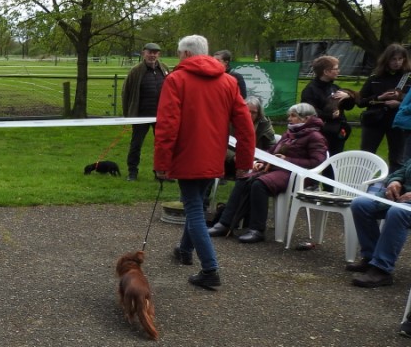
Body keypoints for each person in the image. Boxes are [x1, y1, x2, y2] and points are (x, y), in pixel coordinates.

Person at [154, 34, 255, 289]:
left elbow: (167, 125)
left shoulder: (176, 80)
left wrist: (162, 163)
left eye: (179, 53)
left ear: (187, 54)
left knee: (194, 210)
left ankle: (210, 269)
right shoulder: (229, 81)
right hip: (214, 156)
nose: (178, 57)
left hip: (187, 156)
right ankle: (184, 250)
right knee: (197, 204)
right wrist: (244, 162)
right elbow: (245, 126)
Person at [209, 103, 327, 243]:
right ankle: (224, 224)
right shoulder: (290, 133)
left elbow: (317, 162)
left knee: (259, 184)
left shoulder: (315, 136)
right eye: (289, 115)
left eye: (293, 116)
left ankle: (257, 230)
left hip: (298, 176)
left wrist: (287, 160)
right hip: (279, 170)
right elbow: (272, 151)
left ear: (305, 118)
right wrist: (262, 162)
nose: (289, 118)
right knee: (243, 179)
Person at [347, 157, 411, 288]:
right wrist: (395, 181)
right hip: (401, 197)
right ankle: (371, 258)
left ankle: (382, 268)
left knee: (398, 212)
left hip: (405, 204)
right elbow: (402, 171)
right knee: (360, 204)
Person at [357, 42, 411, 170]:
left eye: (400, 59)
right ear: (386, 60)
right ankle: (363, 180)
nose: (397, 62)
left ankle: (394, 181)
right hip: (375, 120)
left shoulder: (408, 78)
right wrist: (380, 98)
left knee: (397, 158)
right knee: (366, 156)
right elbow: (360, 101)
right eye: (393, 59)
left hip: (398, 122)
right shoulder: (375, 78)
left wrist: (399, 102)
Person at [122, 42, 168, 182]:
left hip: (160, 116)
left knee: (162, 146)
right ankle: (132, 172)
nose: (152, 55)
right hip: (140, 115)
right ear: (144, 53)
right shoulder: (135, 71)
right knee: (136, 145)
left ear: (158, 54)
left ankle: (160, 173)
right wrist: (128, 116)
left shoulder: (164, 69)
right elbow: (126, 93)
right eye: (150, 52)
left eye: (155, 53)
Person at [301, 55, 356, 157]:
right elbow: (309, 110)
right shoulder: (310, 90)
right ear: (326, 72)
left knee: (336, 158)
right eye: (336, 69)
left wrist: (348, 97)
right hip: (321, 132)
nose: (338, 71)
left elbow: (348, 107)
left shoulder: (334, 87)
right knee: (322, 158)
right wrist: (329, 116)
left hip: (338, 130)